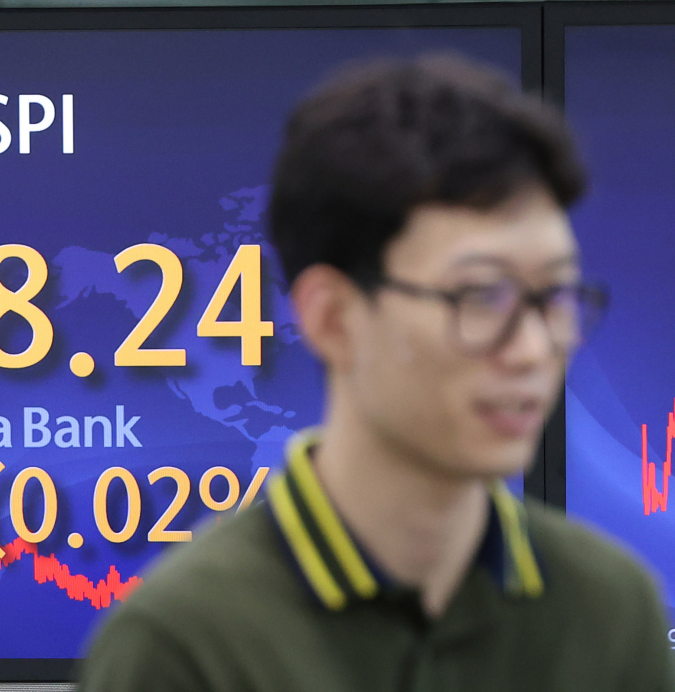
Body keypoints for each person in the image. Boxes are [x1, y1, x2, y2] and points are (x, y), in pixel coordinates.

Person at [77, 55, 672, 692]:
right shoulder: (185, 643)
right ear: (332, 318)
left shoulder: (610, 612)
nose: (532, 349)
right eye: (479, 297)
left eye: (554, 297)